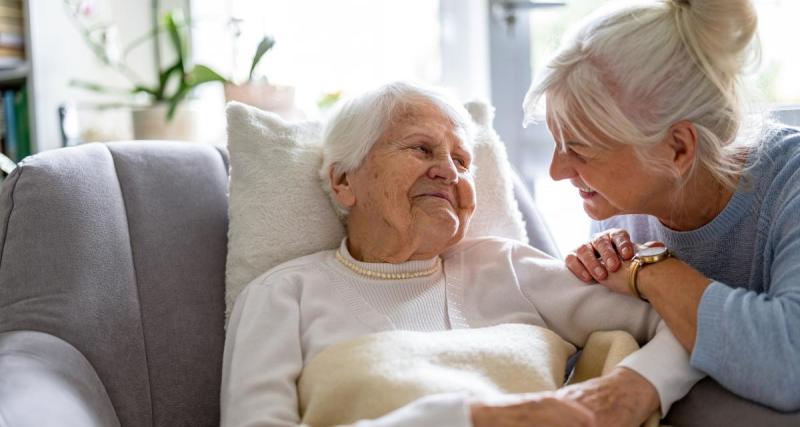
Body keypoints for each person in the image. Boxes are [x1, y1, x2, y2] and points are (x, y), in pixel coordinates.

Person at [221, 82, 701, 427]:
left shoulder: (507, 266)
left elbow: (689, 326)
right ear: (344, 181)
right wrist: (465, 418)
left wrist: (634, 390)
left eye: (462, 160)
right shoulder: (283, 294)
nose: (449, 173)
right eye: (421, 149)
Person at [523, 0, 800, 412]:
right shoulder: (619, 203)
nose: (557, 171)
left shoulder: (788, 185)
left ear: (678, 148)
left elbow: (788, 363)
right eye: (557, 143)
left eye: (578, 149)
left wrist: (650, 269)